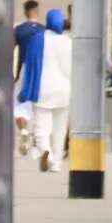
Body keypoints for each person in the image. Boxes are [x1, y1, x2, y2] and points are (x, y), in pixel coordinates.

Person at [32, 9, 73, 172]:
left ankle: (45, 152)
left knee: (42, 126)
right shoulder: (68, 42)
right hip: (64, 90)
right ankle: (56, 163)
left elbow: (32, 66)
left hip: (43, 88)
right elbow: (72, 68)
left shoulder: (38, 39)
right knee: (60, 128)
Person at [12, 0, 45, 157]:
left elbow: (9, 52)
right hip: (42, 72)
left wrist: (13, 74)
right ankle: (37, 142)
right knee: (40, 109)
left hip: (25, 71)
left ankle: (24, 130)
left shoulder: (19, 30)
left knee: (20, 108)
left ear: (25, 12)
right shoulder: (45, 31)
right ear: (37, 11)